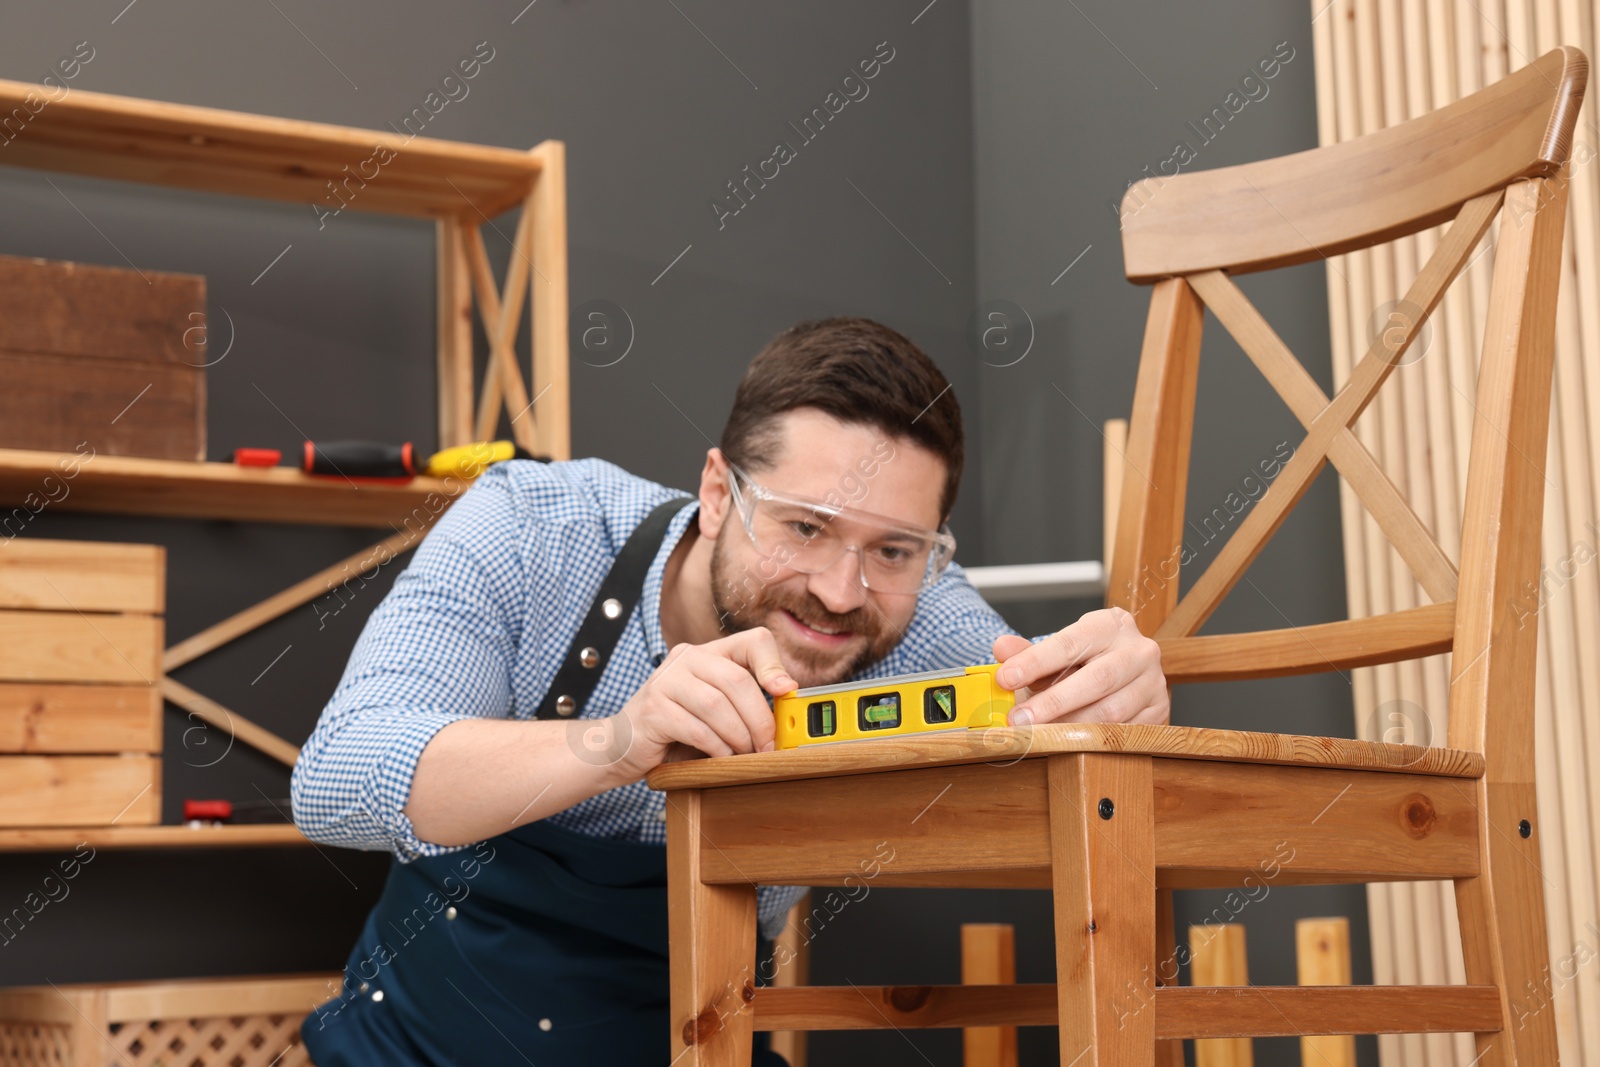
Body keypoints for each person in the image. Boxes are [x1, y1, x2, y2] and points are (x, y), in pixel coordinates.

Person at [291, 316, 1170, 1066]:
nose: (840, 589)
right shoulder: (533, 524)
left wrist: (1118, 707)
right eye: (805, 527)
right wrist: (616, 742)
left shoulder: (914, 610)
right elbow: (333, 777)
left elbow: (1063, 724)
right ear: (718, 493)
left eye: (895, 549)